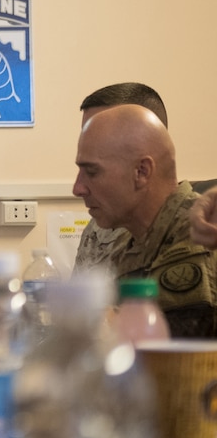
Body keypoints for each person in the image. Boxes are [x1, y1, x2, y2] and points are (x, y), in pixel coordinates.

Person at [72, 104, 217, 337]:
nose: (77, 188)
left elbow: (165, 360)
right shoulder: (131, 243)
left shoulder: (194, 239)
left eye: (92, 172)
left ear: (141, 172)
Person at [74, 83, 170, 274]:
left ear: (142, 170)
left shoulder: (194, 232)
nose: (78, 189)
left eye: (98, 135)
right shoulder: (100, 224)